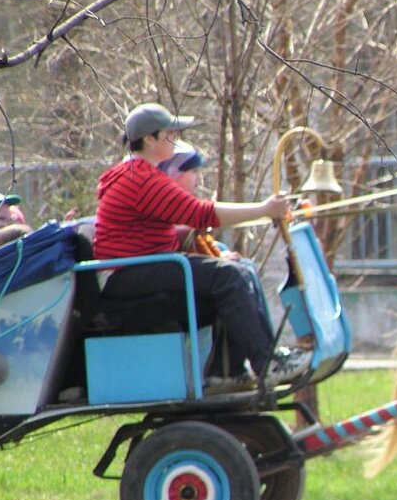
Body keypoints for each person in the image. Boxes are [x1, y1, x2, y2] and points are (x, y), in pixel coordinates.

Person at [93, 101, 310, 388]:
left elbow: (173, 223)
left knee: (236, 272)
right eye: (170, 134)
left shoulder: (138, 175)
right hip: (126, 274)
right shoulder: (140, 179)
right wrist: (264, 209)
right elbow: (202, 213)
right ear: (149, 138)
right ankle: (267, 364)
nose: (176, 140)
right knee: (228, 276)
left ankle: (227, 372)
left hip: (137, 269)